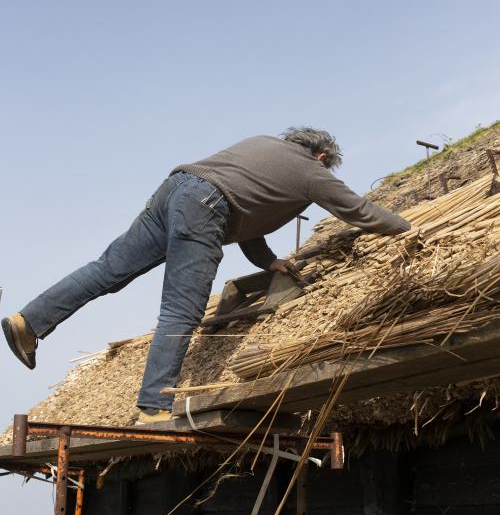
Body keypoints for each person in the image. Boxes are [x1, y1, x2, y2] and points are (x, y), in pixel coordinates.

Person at [2, 127, 411, 424]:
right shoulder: (311, 172)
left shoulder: (262, 146)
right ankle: (153, 407)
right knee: (182, 308)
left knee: (108, 269)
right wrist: (407, 226)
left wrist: (270, 263)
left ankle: (29, 321)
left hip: (176, 189)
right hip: (206, 204)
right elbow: (359, 212)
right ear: (322, 157)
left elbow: (248, 222)